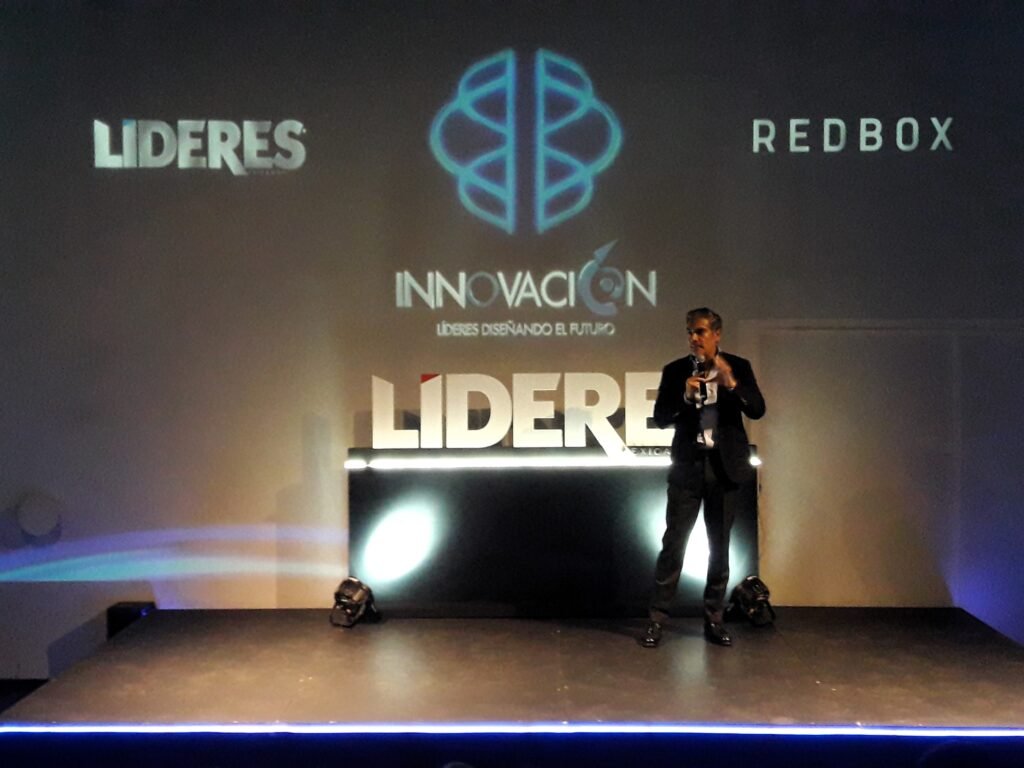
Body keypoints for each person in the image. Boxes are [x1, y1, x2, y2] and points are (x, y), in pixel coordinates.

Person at [641, 307, 765, 648]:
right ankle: (657, 619)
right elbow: (661, 417)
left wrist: (732, 383)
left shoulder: (738, 366)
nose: (694, 338)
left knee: (719, 548)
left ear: (717, 334)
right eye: (690, 332)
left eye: (700, 332)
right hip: (689, 468)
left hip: (724, 469)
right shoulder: (675, 370)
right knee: (673, 545)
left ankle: (714, 617)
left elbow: (757, 409)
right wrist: (684, 396)